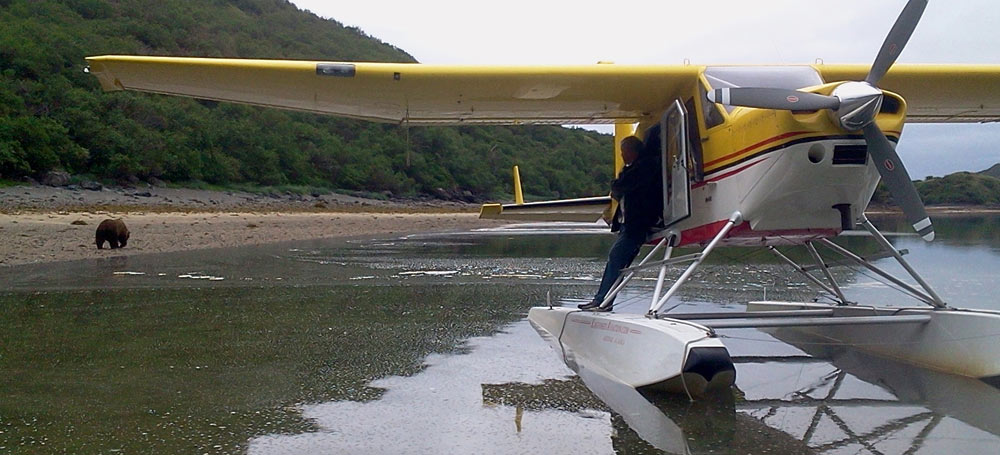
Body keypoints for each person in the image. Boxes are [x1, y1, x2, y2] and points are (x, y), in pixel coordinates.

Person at [579, 135, 663, 311]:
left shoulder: (644, 167)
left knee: (616, 258)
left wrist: (618, 185)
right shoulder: (635, 168)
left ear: (631, 152)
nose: (623, 156)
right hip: (630, 224)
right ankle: (603, 301)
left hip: (636, 225)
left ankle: (602, 301)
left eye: (623, 152)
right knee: (618, 262)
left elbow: (619, 187)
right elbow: (619, 186)